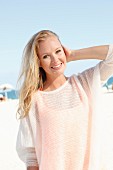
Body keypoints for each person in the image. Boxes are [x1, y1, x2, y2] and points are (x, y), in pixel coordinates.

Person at [16, 30, 113, 170]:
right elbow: (31, 156)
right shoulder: (34, 100)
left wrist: (73, 55)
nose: (55, 60)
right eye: (46, 56)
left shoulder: (85, 83)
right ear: (38, 62)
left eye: (58, 51)